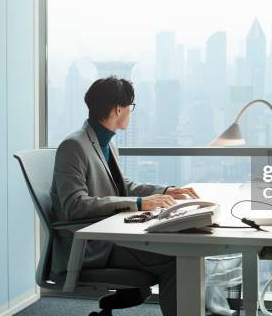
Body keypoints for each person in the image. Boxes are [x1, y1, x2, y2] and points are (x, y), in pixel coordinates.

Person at [50, 76, 199, 316]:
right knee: (178, 259)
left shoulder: (105, 142)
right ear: (118, 108)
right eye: (131, 105)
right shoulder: (74, 146)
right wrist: (138, 204)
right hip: (92, 245)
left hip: (111, 236)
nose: (131, 111)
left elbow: (122, 186)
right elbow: (74, 206)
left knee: (183, 250)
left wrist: (163, 191)